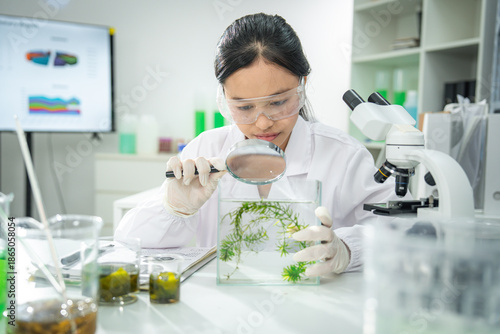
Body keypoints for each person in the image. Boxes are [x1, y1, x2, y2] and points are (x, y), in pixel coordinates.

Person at [115, 13, 404, 276]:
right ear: (224, 99)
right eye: (244, 107)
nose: (263, 123)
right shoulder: (206, 149)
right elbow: (128, 244)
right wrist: (174, 207)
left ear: (302, 85)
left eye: (278, 102)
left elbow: (400, 230)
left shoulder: (344, 155)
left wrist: (348, 250)